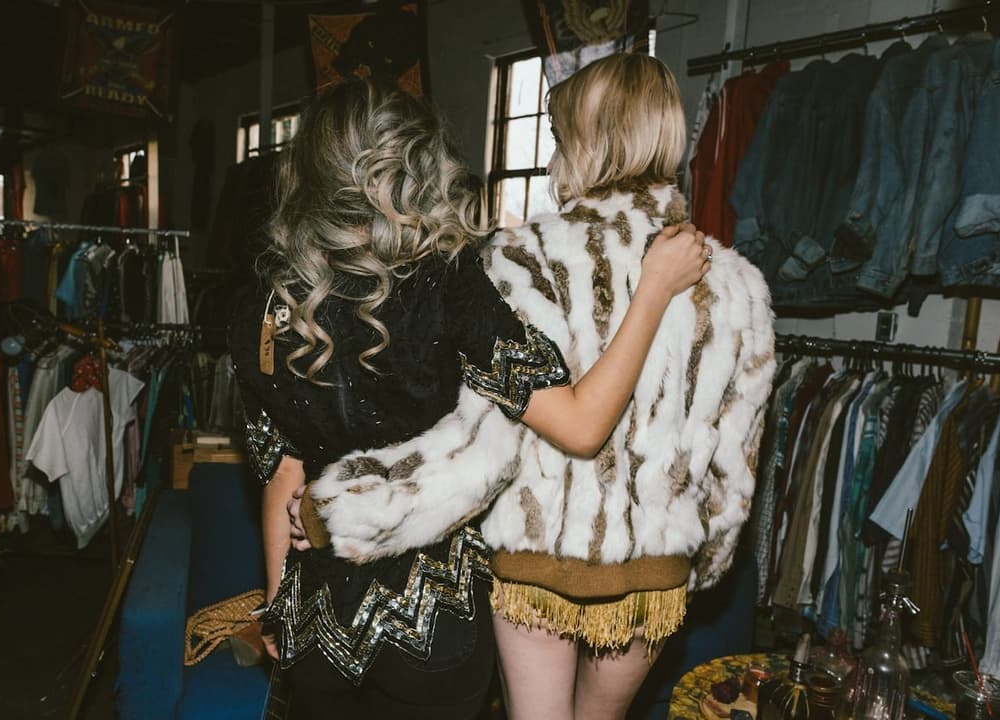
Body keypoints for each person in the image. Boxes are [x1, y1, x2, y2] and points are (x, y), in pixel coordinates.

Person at [287, 55, 777, 720]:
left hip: (537, 564)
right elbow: (734, 468)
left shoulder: (525, 259)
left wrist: (345, 509)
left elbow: (479, 450)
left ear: (584, 139)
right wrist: (694, 564)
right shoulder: (736, 283)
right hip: (655, 574)